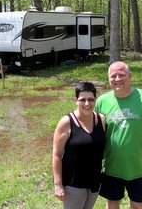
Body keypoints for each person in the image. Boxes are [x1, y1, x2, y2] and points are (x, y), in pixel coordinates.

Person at [95, 61, 142, 209]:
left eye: (121, 75)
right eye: (113, 76)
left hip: (138, 169)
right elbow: (94, 133)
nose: (117, 79)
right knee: (112, 204)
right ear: (108, 78)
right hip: (111, 167)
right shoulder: (102, 101)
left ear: (130, 76)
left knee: (137, 206)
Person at [52, 81, 106, 209]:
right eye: (82, 100)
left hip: (94, 181)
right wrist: (58, 184)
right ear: (76, 100)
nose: (87, 104)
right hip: (73, 184)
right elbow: (57, 155)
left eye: (91, 99)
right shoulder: (66, 122)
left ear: (95, 100)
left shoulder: (101, 120)